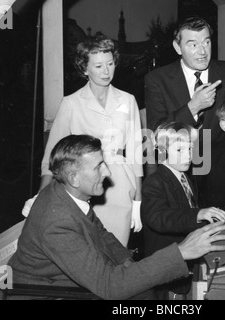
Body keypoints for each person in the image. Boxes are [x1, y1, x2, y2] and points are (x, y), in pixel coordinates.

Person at [8, 134, 225, 300]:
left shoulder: (67, 192)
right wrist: (181, 251)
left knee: (143, 289)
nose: (107, 172)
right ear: (74, 178)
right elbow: (109, 286)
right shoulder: (57, 222)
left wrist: (128, 265)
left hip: (64, 283)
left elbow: (102, 236)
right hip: (47, 293)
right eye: (99, 167)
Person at [29, 35, 144, 247]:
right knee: (88, 254)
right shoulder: (71, 103)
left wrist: (138, 200)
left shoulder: (128, 100)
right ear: (84, 69)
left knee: (117, 256)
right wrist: (40, 196)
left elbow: (136, 154)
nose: (106, 71)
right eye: (99, 65)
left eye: (110, 64)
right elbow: (52, 156)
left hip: (120, 188)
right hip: (84, 187)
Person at [144, 17, 225, 175]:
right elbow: (157, 133)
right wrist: (193, 107)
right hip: (178, 171)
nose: (202, 51)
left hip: (223, 171)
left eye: (206, 42)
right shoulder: (157, 80)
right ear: (178, 47)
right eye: (193, 44)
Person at [141, 121, 225, 300]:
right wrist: (197, 214)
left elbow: (190, 208)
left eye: (190, 149)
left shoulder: (186, 177)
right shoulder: (155, 181)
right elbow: (158, 218)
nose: (188, 156)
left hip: (184, 262)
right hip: (166, 262)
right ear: (162, 151)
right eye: (180, 150)